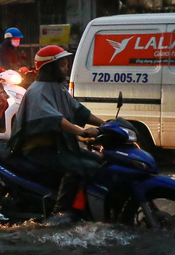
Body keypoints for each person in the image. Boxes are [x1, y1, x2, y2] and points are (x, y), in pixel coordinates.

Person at [8, 45, 104, 217]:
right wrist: (80, 132)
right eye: (62, 65)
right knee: (75, 168)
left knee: (98, 162)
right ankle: (61, 214)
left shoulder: (58, 87)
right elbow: (55, 120)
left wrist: (105, 125)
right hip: (37, 150)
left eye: (66, 64)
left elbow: (78, 110)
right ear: (50, 67)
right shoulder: (38, 91)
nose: (66, 68)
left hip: (58, 147)